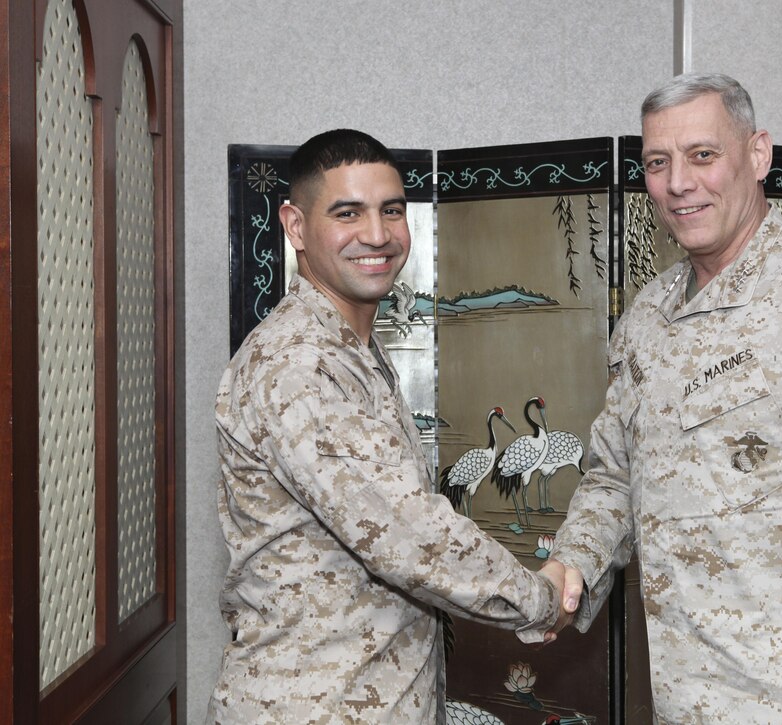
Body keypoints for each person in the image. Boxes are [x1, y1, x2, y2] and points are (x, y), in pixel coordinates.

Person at [543, 73, 782, 722]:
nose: (678, 183)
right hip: (680, 696)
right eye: (657, 163)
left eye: (703, 155)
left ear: (758, 154)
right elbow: (614, 474)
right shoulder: (647, 318)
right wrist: (572, 563)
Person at [209, 129, 569, 724]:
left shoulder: (351, 351)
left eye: (391, 211)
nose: (376, 235)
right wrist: (539, 600)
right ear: (295, 227)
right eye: (347, 213)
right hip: (317, 705)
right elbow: (408, 535)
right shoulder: (300, 363)